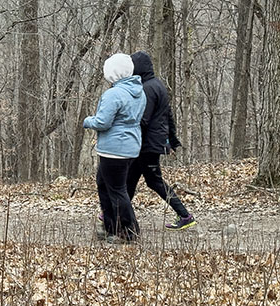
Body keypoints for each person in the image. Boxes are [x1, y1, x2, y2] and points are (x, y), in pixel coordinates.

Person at [127, 51, 196, 230]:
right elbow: (168, 116)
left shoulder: (147, 89)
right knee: (131, 179)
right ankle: (114, 212)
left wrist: (130, 137)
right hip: (150, 143)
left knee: (154, 181)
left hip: (147, 144)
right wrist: (172, 140)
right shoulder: (157, 85)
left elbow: (144, 119)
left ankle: (185, 215)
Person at [83, 53, 146, 243]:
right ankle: (110, 227)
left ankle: (129, 232)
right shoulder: (139, 91)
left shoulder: (113, 94)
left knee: (117, 190)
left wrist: (88, 121)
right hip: (130, 146)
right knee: (104, 184)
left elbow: (103, 122)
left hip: (114, 149)